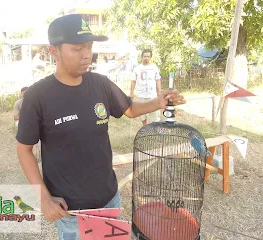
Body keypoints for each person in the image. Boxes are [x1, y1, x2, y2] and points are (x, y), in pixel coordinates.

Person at [16, 14, 186, 240]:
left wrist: (158, 102)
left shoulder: (100, 84)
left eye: (89, 46)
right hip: (72, 210)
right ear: (54, 51)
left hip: (109, 199)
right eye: (77, 48)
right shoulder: (38, 96)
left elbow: (130, 109)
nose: (87, 55)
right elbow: (24, 149)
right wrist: (44, 198)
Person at [130, 49, 162, 126]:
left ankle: (154, 129)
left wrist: (159, 91)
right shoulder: (137, 68)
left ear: (150, 57)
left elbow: (158, 80)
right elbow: (133, 81)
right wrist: (131, 92)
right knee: (142, 114)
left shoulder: (154, 67)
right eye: (145, 56)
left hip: (152, 95)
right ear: (142, 57)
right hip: (140, 94)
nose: (146, 58)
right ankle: (144, 127)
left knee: (154, 114)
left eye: (148, 56)